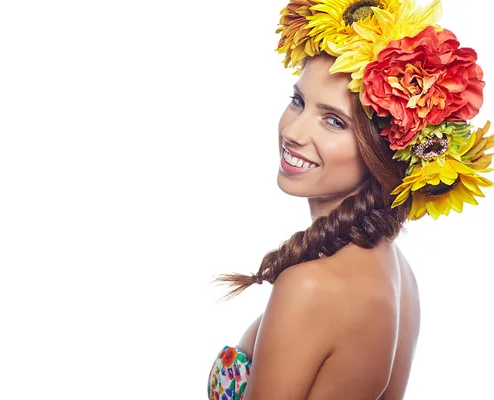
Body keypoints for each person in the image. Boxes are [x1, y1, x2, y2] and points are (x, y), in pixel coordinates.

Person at [207, 0, 493, 399]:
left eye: (334, 121)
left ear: (382, 151)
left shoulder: (308, 286)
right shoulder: (397, 272)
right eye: (298, 101)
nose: (294, 131)